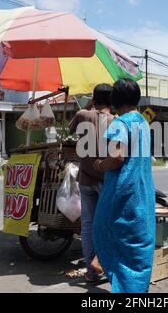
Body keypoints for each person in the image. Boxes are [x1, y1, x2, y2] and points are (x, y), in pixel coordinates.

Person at [92, 78, 156, 293]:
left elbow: (117, 157)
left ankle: (123, 286)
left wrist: (100, 165)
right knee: (137, 245)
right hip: (142, 192)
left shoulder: (120, 123)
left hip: (122, 192)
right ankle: (137, 288)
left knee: (105, 231)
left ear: (115, 99)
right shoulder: (142, 122)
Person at [69, 84, 114, 283]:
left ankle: (92, 271)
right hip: (106, 180)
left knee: (87, 226)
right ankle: (105, 267)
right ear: (112, 101)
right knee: (108, 225)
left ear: (94, 98)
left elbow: (70, 130)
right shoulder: (116, 121)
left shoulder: (82, 115)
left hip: (85, 178)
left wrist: (87, 107)